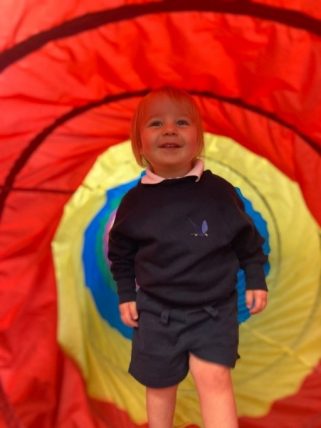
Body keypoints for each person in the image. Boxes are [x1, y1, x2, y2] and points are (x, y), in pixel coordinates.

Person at [108, 86, 268, 428]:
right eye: (156, 124)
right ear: (139, 144)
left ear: (198, 139)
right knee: (160, 385)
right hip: (156, 311)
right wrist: (126, 295)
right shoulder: (134, 204)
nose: (169, 130)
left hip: (213, 310)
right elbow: (120, 254)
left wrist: (255, 278)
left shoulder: (219, 193)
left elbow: (248, 242)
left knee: (214, 379)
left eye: (182, 122)